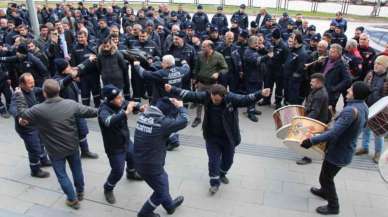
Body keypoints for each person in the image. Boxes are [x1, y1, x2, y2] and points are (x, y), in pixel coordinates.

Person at [165, 83, 270, 194]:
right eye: (214, 99)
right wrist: (172, 89)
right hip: (212, 137)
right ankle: (214, 183)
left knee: (228, 161)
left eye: (218, 100)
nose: (215, 101)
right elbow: (190, 95)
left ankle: (222, 173)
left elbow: (246, 99)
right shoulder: (206, 96)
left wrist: (261, 93)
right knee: (213, 161)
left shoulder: (231, 98)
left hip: (228, 138)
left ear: (224, 96)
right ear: (211, 95)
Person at [14, 79, 98, 209]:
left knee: (62, 174)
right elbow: (91, 111)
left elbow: (22, 113)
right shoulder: (71, 104)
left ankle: (72, 199)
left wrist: (19, 96)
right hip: (72, 146)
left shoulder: (39, 109)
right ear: (58, 90)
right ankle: (80, 191)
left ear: (45, 93)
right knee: (77, 169)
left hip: (55, 150)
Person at [301, 81, 369, 215]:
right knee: (326, 175)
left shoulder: (350, 110)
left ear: (356, 94)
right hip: (346, 150)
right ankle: (323, 191)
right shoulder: (363, 106)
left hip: (339, 152)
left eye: (350, 90)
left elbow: (333, 133)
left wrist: (311, 140)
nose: (348, 91)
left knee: (326, 178)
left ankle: (333, 206)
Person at [134, 97, 188, 217]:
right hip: (150, 164)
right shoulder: (162, 122)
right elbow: (184, 121)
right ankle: (144, 213)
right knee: (161, 190)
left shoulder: (144, 115)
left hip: (141, 160)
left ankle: (169, 206)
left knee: (162, 182)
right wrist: (180, 107)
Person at [133, 55, 190, 151]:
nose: (161, 64)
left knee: (163, 120)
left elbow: (145, 75)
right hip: (176, 101)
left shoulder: (162, 73)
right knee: (173, 119)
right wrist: (184, 61)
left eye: (162, 62)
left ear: (167, 64)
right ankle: (173, 138)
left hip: (163, 102)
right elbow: (187, 67)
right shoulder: (181, 70)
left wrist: (137, 66)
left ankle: (173, 140)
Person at [98, 85, 143, 204]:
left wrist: (140, 107)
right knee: (117, 171)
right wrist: (126, 112)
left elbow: (131, 103)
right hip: (114, 147)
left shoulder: (120, 101)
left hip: (126, 141)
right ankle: (108, 188)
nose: (121, 99)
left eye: (121, 96)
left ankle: (131, 173)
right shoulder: (103, 110)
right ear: (110, 100)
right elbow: (108, 122)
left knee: (133, 156)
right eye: (118, 98)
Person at [53, 58, 99, 159]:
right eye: (68, 66)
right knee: (70, 135)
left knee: (82, 131)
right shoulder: (56, 80)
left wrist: (88, 60)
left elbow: (78, 68)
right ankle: (69, 154)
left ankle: (85, 151)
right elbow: (61, 84)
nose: (70, 67)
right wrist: (71, 77)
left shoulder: (67, 74)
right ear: (63, 70)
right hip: (66, 113)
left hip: (76, 109)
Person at [9, 73, 51, 178]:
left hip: (36, 124)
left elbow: (40, 89)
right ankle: (35, 170)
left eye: (33, 82)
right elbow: (12, 108)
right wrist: (19, 118)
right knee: (34, 148)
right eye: (29, 83)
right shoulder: (17, 95)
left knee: (41, 142)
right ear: (22, 84)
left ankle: (43, 160)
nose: (32, 85)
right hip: (26, 128)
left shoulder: (31, 90)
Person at [355, 55, 388, 163]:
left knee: (378, 133)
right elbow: (364, 87)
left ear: (385, 66)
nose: (375, 65)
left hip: (381, 110)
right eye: (375, 63)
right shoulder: (370, 74)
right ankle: (365, 147)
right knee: (366, 129)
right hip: (367, 106)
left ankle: (378, 152)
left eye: (379, 64)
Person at [191, 40, 228, 128]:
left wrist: (218, 73)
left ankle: (210, 120)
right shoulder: (200, 55)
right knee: (199, 101)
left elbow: (225, 68)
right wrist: (195, 79)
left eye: (204, 46)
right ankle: (198, 118)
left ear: (210, 47)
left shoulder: (218, 56)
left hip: (212, 85)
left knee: (211, 103)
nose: (202, 48)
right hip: (201, 83)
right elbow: (196, 68)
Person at [297, 73, 329, 165]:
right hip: (316, 119)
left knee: (309, 138)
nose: (310, 82)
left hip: (316, 121)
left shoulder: (320, 95)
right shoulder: (317, 90)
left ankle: (308, 157)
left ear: (319, 83)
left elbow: (315, 111)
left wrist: (305, 122)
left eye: (313, 81)